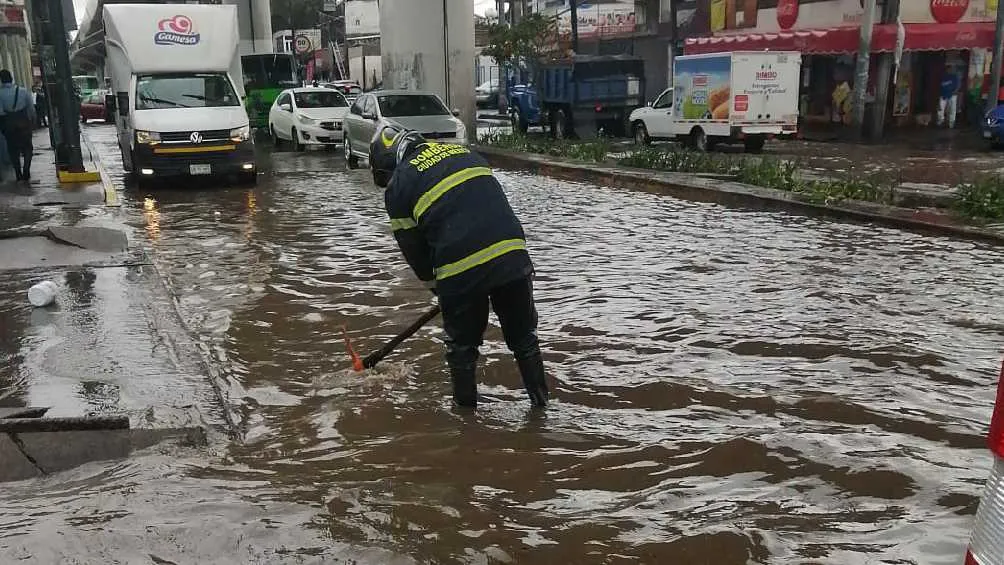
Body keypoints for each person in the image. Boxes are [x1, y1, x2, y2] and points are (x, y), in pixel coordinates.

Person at [369, 124, 549, 409]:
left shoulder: (399, 184)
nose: (387, 182)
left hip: (460, 266)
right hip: (513, 255)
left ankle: (466, 422)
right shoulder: (464, 153)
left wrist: (439, 290)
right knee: (524, 339)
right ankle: (542, 408)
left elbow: (416, 255)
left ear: (389, 163)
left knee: (462, 349)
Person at [0, 69, 36, 182]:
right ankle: (26, 169)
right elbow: (31, 109)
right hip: (24, 123)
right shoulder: (23, 91)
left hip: (9, 125)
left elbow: (0, 112)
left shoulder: (0, 94)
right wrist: (32, 121)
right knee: (28, 148)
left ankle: (18, 173)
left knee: (13, 150)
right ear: (11, 78)